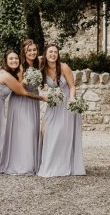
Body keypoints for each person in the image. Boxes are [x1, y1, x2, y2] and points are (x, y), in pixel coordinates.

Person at [37, 43, 86, 177]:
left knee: (63, 134)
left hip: (66, 104)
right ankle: (50, 165)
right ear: (45, 54)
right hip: (53, 104)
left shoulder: (64, 67)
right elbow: (35, 57)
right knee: (48, 132)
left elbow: (72, 86)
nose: (53, 54)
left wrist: (71, 100)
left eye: (55, 52)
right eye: (50, 52)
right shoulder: (43, 68)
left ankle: (64, 165)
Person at [0, 39, 41, 175]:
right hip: (21, 100)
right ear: (24, 52)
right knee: (24, 130)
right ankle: (22, 165)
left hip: (32, 99)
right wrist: (27, 78)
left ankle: (33, 163)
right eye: (29, 50)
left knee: (33, 130)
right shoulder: (21, 66)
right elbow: (17, 87)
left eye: (34, 50)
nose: (32, 52)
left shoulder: (38, 63)